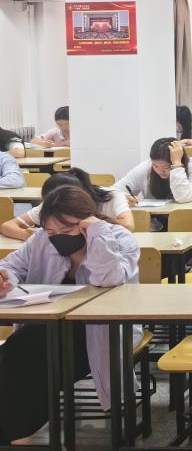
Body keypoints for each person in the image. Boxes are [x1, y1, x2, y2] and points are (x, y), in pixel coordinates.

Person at [0, 184, 141, 444]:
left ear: (87, 219)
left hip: (101, 332)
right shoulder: (42, 239)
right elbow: (12, 265)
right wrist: (4, 277)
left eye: (67, 231)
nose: (58, 238)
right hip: (51, 327)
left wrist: (96, 233)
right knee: (15, 352)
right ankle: (17, 431)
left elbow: (109, 277)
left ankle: (19, 431)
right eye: (51, 232)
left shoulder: (120, 239)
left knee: (35, 358)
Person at [1, 168, 133, 240]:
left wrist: (92, 226)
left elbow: (127, 225)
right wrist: (26, 235)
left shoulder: (112, 196)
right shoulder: (54, 203)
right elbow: (7, 226)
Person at [114, 138, 192, 204]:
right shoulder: (146, 167)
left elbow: (183, 197)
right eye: (155, 166)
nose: (160, 171)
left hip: (188, 220)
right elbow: (114, 191)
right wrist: (125, 197)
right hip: (153, 221)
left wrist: (177, 165)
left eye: (166, 167)